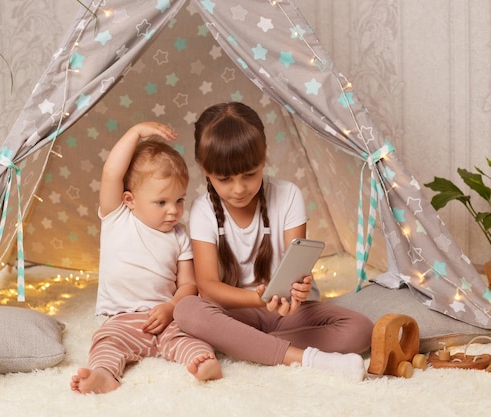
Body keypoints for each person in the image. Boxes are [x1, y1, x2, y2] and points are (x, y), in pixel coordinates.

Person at [173, 102, 374, 382]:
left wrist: (297, 293)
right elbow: (207, 287)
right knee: (186, 310)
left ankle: (245, 344)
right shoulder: (202, 209)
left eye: (249, 175)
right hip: (237, 310)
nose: (239, 189)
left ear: (264, 156)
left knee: (360, 329)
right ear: (204, 169)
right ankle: (306, 358)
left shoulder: (288, 195)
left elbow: (296, 272)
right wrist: (256, 298)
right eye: (225, 179)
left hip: (288, 313)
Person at [70, 122, 222, 394]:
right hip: (124, 318)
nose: (173, 211)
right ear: (129, 199)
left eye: (179, 200)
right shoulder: (117, 217)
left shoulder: (180, 236)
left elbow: (188, 285)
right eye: (161, 202)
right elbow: (111, 173)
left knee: (190, 336)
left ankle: (202, 363)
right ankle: (105, 376)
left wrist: (172, 306)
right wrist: (135, 133)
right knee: (106, 342)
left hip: (168, 318)